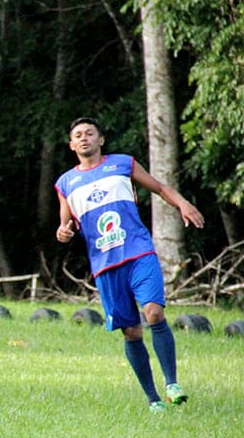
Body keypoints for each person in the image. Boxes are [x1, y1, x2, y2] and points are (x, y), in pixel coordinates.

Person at [55, 117, 204, 413]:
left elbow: (160, 188)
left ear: (101, 140)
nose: (84, 138)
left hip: (137, 252)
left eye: (90, 133)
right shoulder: (66, 182)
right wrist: (63, 232)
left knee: (154, 311)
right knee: (131, 332)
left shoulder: (122, 164)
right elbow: (66, 223)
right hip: (105, 265)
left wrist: (183, 204)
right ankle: (153, 399)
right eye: (78, 136)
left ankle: (172, 383)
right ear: (72, 145)